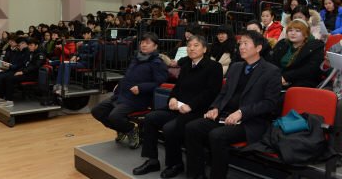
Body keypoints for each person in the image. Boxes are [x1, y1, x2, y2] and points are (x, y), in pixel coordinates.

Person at [185, 30, 281, 179]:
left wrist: (242, 112)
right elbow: (223, 94)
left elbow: (270, 103)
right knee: (192, 127)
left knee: (217, 135)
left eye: (246, 43)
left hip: (250, 122)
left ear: (258, 48)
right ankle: (196, 175)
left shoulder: (271, 71)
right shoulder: (236, 67)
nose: (241, 47)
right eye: (240, 43)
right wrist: (215, 108)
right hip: (225, 116)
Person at [133, 35, 223, 178]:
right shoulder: (186, 65)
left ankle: (175, 164)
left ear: (205, 49)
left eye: (196, 45)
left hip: (197, 111)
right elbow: (177, 87)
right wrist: (172, 99)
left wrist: (190, 106)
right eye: (189, 46)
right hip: (178, 108)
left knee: (170, 128)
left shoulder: (214, 67)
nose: (191, 48)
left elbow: (211, 93)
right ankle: (152, 160)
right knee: (150, 118)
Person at [91, 33, 168, 149]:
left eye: (148, 43)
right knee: (97, 111)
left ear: (155, 46)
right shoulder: (137, 58)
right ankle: (122, 129)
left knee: (114, 116)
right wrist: (120, 84)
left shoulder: (157, 62)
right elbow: (128, 76)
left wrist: (141, 88)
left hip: (138, 99)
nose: (144, 45)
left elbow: (159, 83)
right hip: (122, 95)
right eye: (142, 42)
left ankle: (131, 129)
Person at [272, 19, 324, 88]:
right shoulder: (282, 44)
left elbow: (309, 69)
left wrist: (287, 77)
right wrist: (278, 77)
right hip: (279, 79)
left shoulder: (315, 46)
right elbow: (272, 62)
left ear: (306, 34)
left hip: (303, 82)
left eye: (297, 31)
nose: (293, 33)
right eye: (290, 30)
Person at [0, 38, 45, 107]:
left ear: (36, 46)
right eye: (29, 45)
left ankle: (9, 100)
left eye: (31, 45)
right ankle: (1, 98)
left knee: (9, 79)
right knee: (6, 77)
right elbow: (25, 64)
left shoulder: (40, 55)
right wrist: (20, 71)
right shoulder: (30, 53)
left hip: (32, 75)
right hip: (25, 72)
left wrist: (22, 72)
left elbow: (35, 66)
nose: (29, 47)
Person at [54, 28, 99, 94]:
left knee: (67, 65)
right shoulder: (83, 42)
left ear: (89, 33)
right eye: (83, 34)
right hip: (81, 61)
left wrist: (80, 56)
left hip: (87, 63)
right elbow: (78, 52)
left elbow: (93, 56)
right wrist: (75, 55)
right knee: (62, 63)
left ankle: (65, 87)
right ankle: (58, 84)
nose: (84, 36)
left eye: (85, 34)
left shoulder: (95, 43)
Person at [0, 37, 30, 103]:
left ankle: (6, 98)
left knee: (4, 77)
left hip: (20, 71)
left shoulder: (26, 52)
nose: (18, 47)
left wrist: (10, 66)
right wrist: (7, 66)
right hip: (14, 68)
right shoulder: (20, 51)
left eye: (19, 45)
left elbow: (21, 65)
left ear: (24, 44)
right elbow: (14, 62)